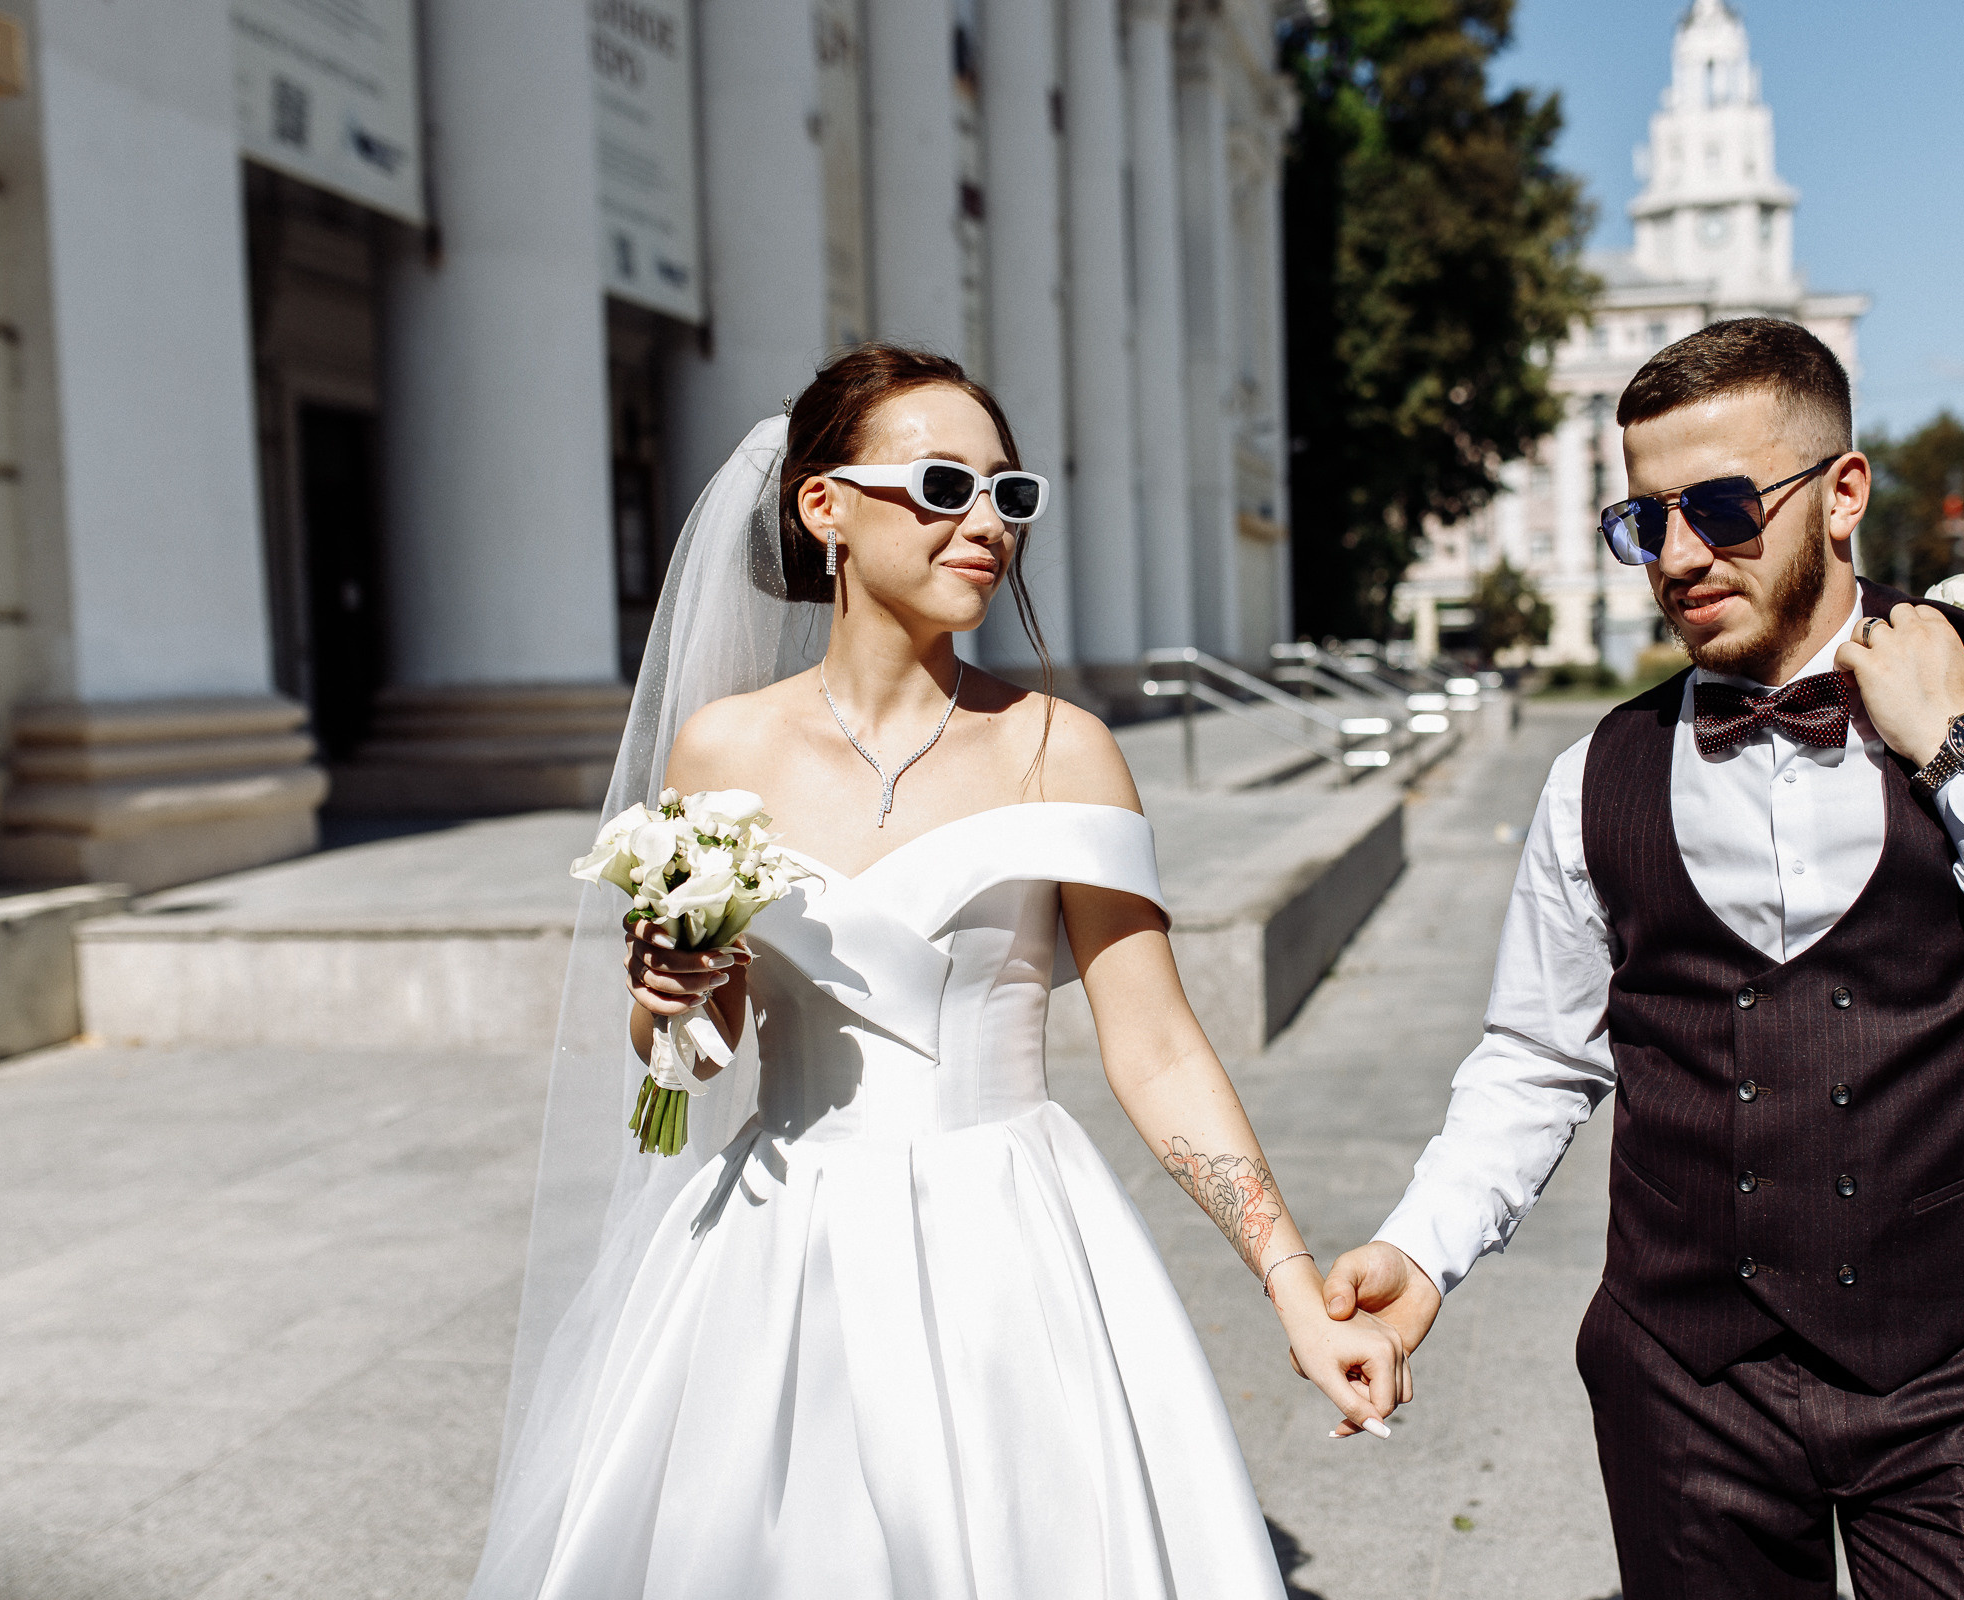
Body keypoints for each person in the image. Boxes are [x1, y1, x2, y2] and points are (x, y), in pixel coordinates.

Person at [469, 343, 1406, 1598]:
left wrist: (1292, 1283)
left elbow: (1159, 1043)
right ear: (825, 507)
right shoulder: (722, 745)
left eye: (1010, 495)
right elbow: (696, 1054)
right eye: (944, 485)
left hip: (1002, 1237)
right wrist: (664, 1005)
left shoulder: (1063, 749)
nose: (986, 523)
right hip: (774, 1242)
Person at [1322, 318, 1964, 1598]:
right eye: (1646, 521)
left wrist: (1958, 752)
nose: (1679, 556)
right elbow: (1535, 1055)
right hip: (1685, 1387)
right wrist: (1420, 1251)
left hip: (1963, 1388)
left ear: (1842, 493)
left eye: (1725, 507)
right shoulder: (1598, 775)